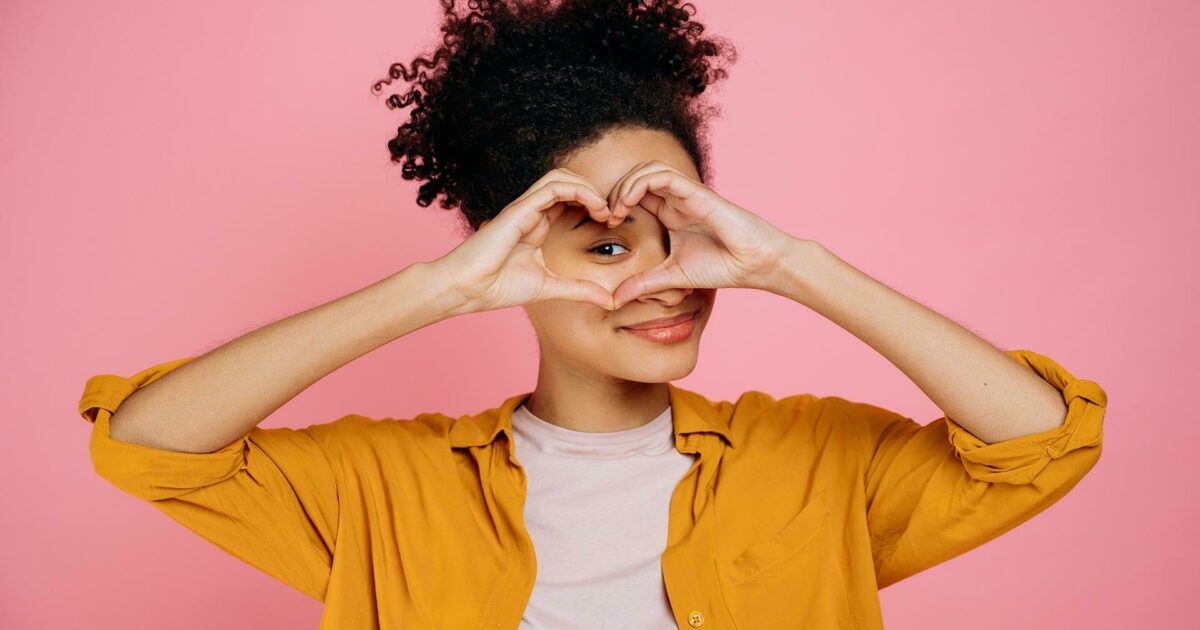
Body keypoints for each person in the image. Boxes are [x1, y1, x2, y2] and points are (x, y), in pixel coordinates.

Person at [77, 1, 1108, 628]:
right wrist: (439, 288)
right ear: (516, 253)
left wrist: (793, 264)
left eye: (680, 232)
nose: (662, 280)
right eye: (606, 244)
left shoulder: (817, 465)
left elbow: (1043, 443)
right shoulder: (384, 491)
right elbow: (149, 445)